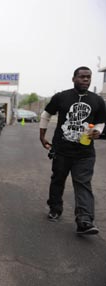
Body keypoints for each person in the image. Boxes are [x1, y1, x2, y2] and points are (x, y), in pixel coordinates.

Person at [39, 66, 106, 235]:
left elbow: (100, 121)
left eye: (88, 77)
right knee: (58, 180)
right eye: (82, 77)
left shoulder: (97, 100)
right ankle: (55, 208)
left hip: (84, 153)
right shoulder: (61, 97)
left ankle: (85, 220)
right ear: (73, 78)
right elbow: (46, 114)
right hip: (61, 150)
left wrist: (98, 131)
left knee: (83, 184)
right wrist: (42, 136)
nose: (86, 80)